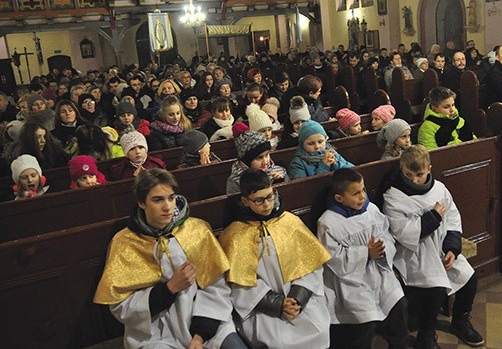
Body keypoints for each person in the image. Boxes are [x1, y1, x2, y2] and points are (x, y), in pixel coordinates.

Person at [94, 169, 246, 349]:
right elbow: (120, 305)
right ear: (141, 203)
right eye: (158, 200)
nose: (167, 207)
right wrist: (168, 289)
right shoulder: (125, 243)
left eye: (171, 198)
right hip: (155, 333)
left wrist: (200, 335)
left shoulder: (196, 230)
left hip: (206, 321)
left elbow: (217, 285)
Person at [382, 146, 484, 349]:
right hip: (413, 253)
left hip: (440, 248)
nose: (414, 180)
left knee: (470, 279)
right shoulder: (393, 197)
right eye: (408, 175)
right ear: (401, 169)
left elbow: (453, 217)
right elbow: (404, 232)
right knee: (435, 288)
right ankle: (425, 335)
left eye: (419, 174)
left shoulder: (439, 188)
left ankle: (460, 320)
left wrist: (452, 248)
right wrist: (435, 217)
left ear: (429, 168)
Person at [218, 169, 332, 349]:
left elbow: (312, 266)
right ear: (245, 201)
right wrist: (279, 305)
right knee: (278, 343)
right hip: (263, 309)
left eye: (270, 196)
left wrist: (297, 299)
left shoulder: (290, 222)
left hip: (299, 301)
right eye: (259, 200)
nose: (267, 204)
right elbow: (239, 285)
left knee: (319, 330)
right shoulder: (235, 235)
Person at [316, 168, 409, 349]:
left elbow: (387, 235)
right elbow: (333, 258)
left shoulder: (371, 210)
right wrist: (365, 253)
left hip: (378, 272)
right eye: (356, 193)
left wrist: (382, 250)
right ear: (339, 199)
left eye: (363, 190)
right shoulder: (328, 222)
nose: (362, 197)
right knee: (363, 322)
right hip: (350, 282)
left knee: (398, 305)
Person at [226, 125, 289, 194]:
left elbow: (289, 195)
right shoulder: (236, 181)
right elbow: (237, 203)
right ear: (247, 161)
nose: (265, 161)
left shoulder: (279, 171)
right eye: (259, 158)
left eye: (267, 155)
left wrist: (280, 182)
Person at [288, 120, 354, 179]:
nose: (317, 146)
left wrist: (336, 164)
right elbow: (303, 187)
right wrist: (324, 166)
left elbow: (352, 170)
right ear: (302, 144)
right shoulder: (297, 163)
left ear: (325, 140)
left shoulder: (331, 152)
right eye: (311, 144)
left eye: (320, 142)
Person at [4, 121, 69, 169]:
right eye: (38, 137)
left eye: (45, 136)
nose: (43, 141)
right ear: (29, 138)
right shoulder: (17, 157)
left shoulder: (56, 153)